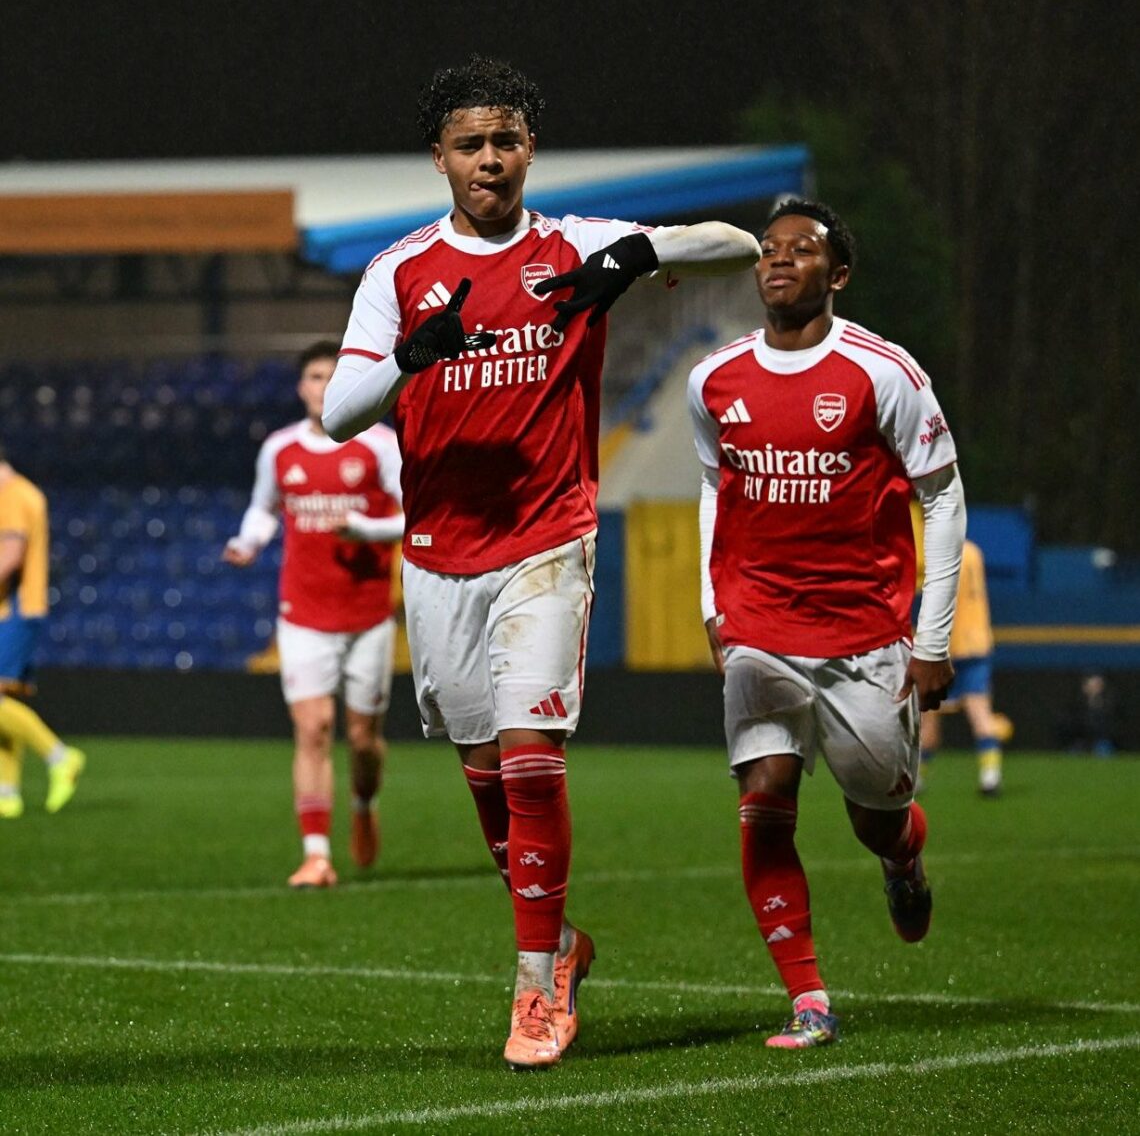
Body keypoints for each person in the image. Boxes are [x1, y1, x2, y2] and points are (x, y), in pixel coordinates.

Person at [321, 54, 760, 1069]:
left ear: (531, 150)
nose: (489, 159)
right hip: (438, 554)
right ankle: (562, 943)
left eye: (506, 140)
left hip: (549, 538)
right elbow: (342, 413)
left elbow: (735, 244)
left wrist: (633, 261)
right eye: (470, 144)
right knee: (482, 770)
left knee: (530, 754)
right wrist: (409, 359)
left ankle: (533, 992)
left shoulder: (577, 246)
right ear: (439, 158)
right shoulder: (398, 273)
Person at [687, 199, 965, 1049]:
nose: (778, 261)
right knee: (765, 797)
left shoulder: (883, 373)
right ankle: (808, 997)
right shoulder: (715, 379)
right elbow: (714, 486)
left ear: (836, 274)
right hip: (759, 626)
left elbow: (942, 495)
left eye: (801, 251)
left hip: (863, 638)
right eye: (769, 250)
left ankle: (902, 858)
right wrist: (712, 603)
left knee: (874, 813)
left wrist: (934, 639)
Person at [223, 341, 404, 888]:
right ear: (300, 386)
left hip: (368, 614)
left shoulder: (378, 444)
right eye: (312, 376)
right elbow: (263, 506)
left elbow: (416, 514)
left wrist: (367, 530)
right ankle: (317, 854)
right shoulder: (279, 449)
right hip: (301, 613)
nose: (320, 386)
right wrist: (248, 541)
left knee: (364, 738)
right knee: (314, 727)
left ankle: (364, 803)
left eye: (330, 376)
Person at [0, 441, 86, 817]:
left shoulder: (13, 494)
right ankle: (7, 793)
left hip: (15, 608)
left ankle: (60, 756)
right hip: (17, 608)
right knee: (4, 702)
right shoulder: (22, 491)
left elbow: (11, 554)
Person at [916, 535, 1006, 795]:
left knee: (928, 716)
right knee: (979, 711)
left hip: (948, 645)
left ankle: (917, 779)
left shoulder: (936, 553)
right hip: (977, 642)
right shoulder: (973, 551)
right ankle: (990, 776)